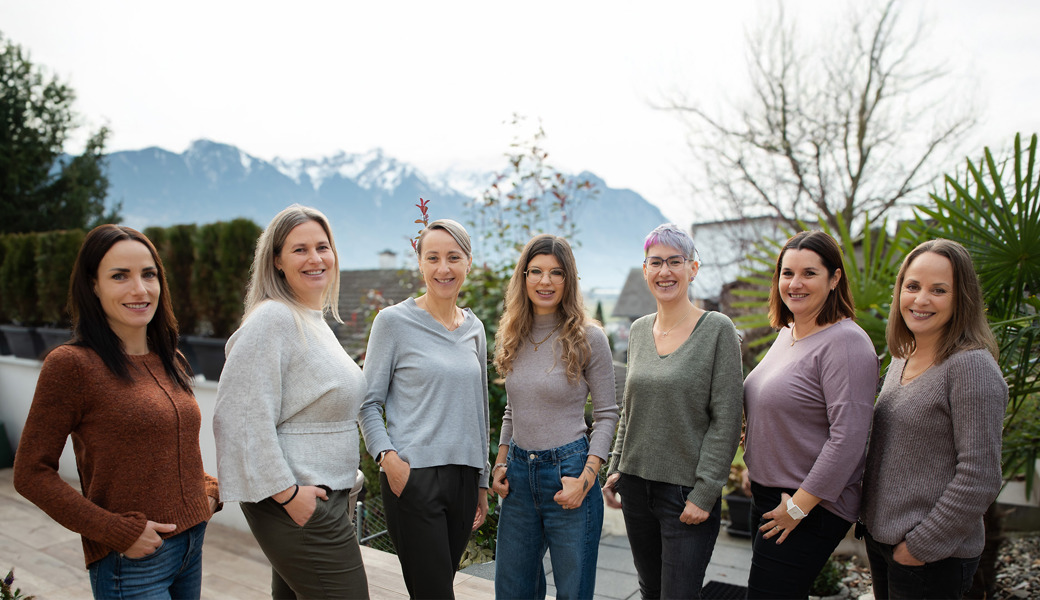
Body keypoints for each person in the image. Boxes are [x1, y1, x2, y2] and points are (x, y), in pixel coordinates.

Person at [13, 225, 219, 599]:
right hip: (133, 562)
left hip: (191, 546)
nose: (139, 289)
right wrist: (115, 531)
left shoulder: (171, 359)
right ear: (94, 285)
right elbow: (30, 473)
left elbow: (171, 445)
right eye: (120, 276)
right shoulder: (72, 366)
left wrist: (207, 489)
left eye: (149, 274)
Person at [213, 204, 369, 599]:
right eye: (300, 249)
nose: (315, 258)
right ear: (277, 261)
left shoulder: (310, 319)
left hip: (321, 496)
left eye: (322, 246)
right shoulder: (272, 319)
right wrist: (287, 495)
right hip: (296, 499)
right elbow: (239, 418)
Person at [601, 223, 744, 599]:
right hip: (635, 485)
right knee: (650, 590)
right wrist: (616, 467)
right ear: (645, 269)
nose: (665, 272)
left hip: (685, 492)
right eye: (656, 262)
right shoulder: (638, 330)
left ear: (692, 269)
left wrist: (707, 491)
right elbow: (630, 410)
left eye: (674, 262)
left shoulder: (717, 330)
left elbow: (727, 418)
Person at [861, 239, 1008, 600]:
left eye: (938, 290)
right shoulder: (902, 356)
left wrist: (920, 547)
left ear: (962, 298)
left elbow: (981, 474)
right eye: (912, 286)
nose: (921, 299)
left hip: (932, 558)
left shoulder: (970, 366)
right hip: (885, 542)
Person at [742, 230, 878, 598]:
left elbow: (849, 439)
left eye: (809, 273)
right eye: (787, 273)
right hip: (773, 495)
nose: (795, 283)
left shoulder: (847, 344)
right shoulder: (789, 333)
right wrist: (756, 469)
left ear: (835, 278)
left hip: (811, 505)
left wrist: (800, 507)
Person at [359, 218, 490, 599]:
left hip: (464, 481)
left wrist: (481, 482)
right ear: (420, 264)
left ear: (468, 263)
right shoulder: (393, 323)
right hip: (413, 477)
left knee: (434, 588)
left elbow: (480, 408)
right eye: (433, 258)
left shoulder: (475, 328)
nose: (443, 268)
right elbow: (367, 402)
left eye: (453, 257)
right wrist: (388, 458)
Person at [491, 234, 618, 600]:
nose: (545, 282)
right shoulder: (513, 332)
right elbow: (513, 407)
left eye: (556, 273)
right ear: (524, 277)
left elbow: (607, 414)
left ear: (569, 279)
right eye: (537, 272)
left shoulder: (589, 337)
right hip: (518, 476)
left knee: (573, 592)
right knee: (513, 591)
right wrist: (500, 463)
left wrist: (587, 477)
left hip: (570, 471)